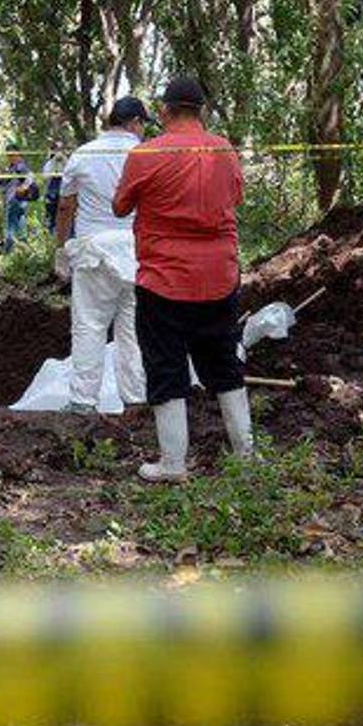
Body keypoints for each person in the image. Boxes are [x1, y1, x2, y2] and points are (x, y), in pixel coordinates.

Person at [112, 77, 251, 482]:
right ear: (201, 111)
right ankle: (245, 455)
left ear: (165, 111)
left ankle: (173, 463)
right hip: (219, 276)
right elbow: (236, 198)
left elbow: (120, 206)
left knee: (165, 365)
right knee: (225, 362)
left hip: (164, 280)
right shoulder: (224, 149)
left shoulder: (146, 154)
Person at [54, 97, 152, 414]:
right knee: (132, 330)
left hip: (94, 251)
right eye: (143, 125)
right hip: (136, 252)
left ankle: (83, 402)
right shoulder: (146, 155)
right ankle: (135, 400)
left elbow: (66, 206)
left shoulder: (83, 154)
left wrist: (60, 248)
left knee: (89, 325)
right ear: (135, 122)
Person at [0, 144, 40, 254]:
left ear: (18, 154)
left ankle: (8, 250)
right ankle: (24, 250)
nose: (10, 158)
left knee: (11, 226)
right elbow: (3, 185)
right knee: (20, 225)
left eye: (12, 155)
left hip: (16, 200)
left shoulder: (20, 166)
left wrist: (23, 187)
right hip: (15, 200)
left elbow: (30, 176)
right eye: (8, 155)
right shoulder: (11, 168)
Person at [41, 141, 67, 235]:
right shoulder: (49, 164)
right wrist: (53, 161)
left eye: (61, 149)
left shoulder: (67, 162)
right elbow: (45, 177)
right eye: (56, 149)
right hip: (51, 194)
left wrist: (64, 160)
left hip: (64, 194)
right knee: (51, 217)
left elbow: (71, 174)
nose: (59, 152)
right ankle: (51, 233)